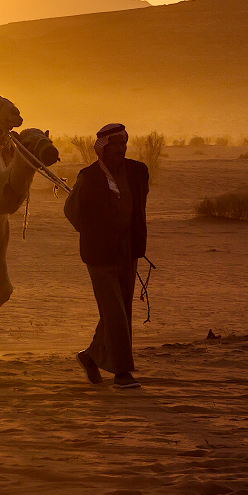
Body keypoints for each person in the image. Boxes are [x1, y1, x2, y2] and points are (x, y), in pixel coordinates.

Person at [64, 123, 149, 388]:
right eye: (115, 145)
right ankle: (122, 374)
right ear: (102, 149)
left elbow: (139, 204)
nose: (121, 150)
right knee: (115, 312)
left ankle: (90, 357)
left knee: (120, 311)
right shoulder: (89, 177)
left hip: (128, 251)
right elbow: (72, 211)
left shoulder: (137, 171)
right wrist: (94, 232)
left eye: (123, 144)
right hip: (99, 255)